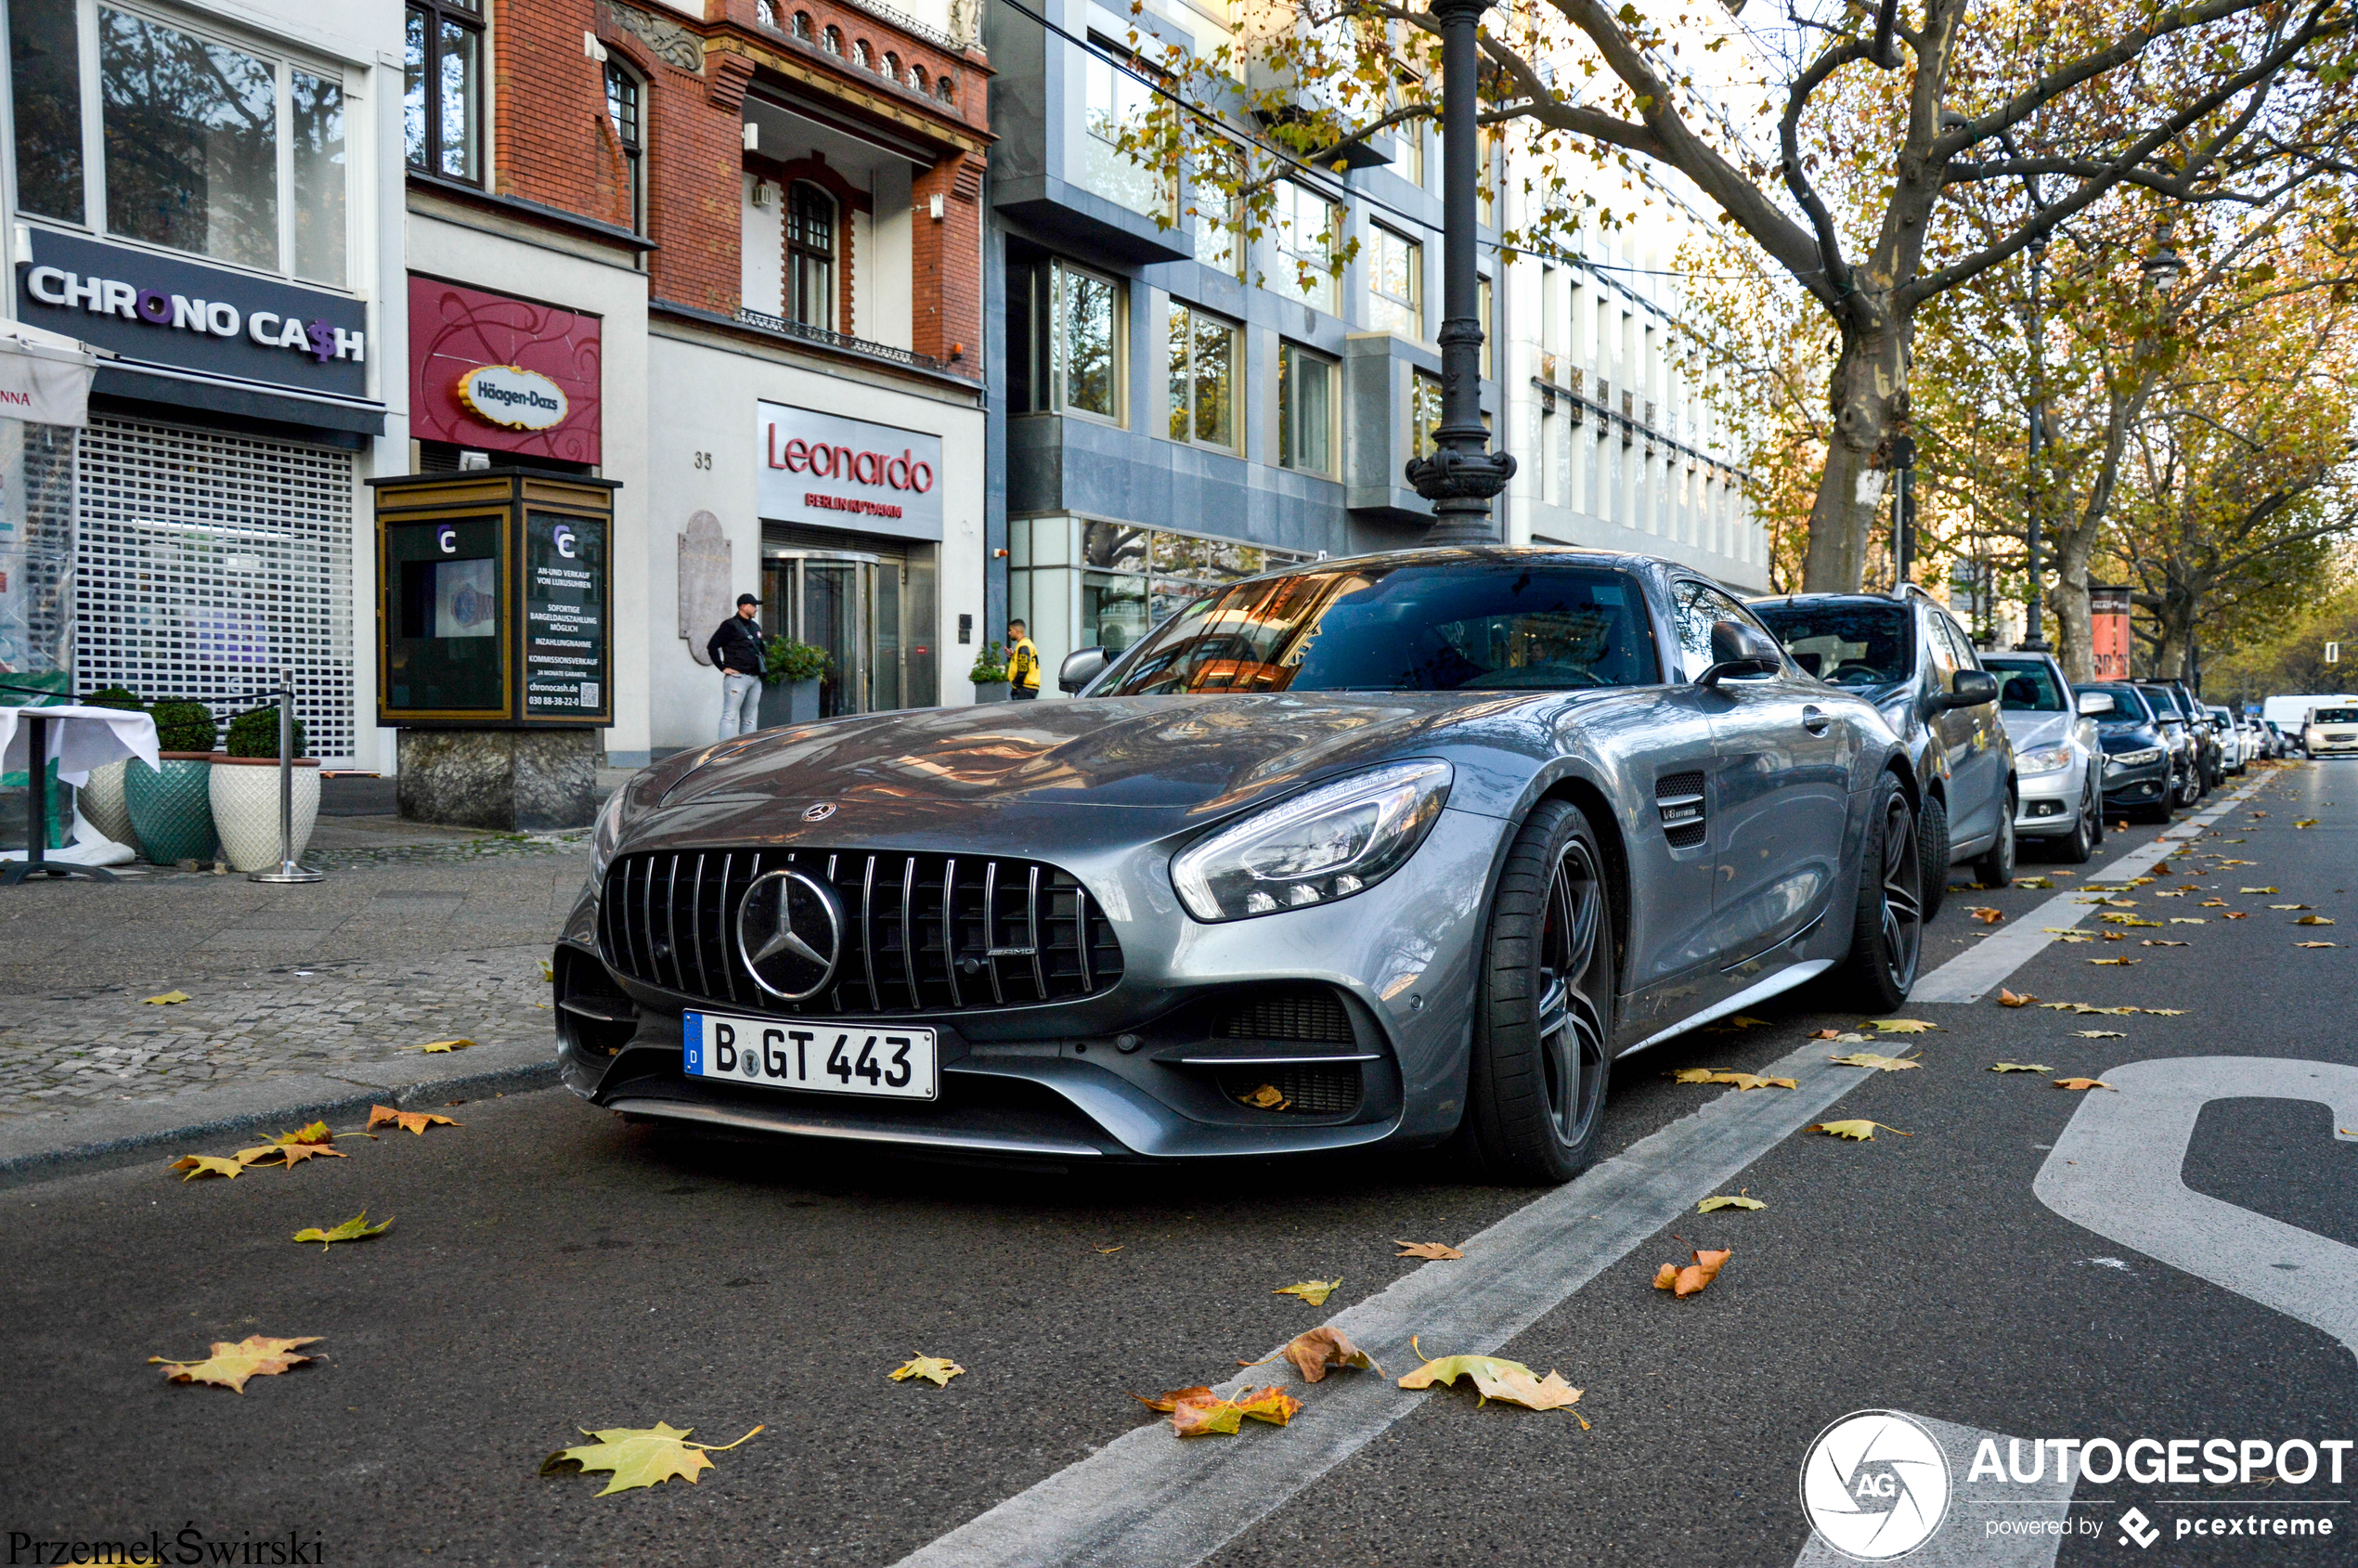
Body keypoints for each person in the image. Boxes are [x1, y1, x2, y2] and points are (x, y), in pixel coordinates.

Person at [708, 593, 766, 738]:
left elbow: (762, 650)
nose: (756, 609)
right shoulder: (730, 625)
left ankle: (746, 753)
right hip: (737, 677)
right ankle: (724, 753)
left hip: (755, 678)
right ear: (743, 606)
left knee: (749, 720)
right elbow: (712, 646)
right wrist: (722, 667)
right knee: (730, 716)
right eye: (753, 605)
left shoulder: (755, 627)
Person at [1006, 618, 1041, 701]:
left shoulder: (1023, 646)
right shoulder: (1027, 644)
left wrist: (1016, 683)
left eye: (1011, 630)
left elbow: (1023, 668)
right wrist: (1012, 656)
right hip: (1029, 687)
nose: (1009, 633)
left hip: (1024, 689)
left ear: (1016, 630)